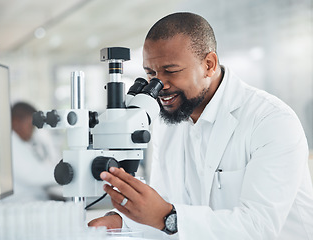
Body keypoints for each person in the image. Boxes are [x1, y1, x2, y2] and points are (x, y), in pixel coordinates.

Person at [88, 12, 313, 239]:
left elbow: (258, 228)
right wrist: (120, 222)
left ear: (209, 64)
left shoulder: (271, 121)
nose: (159, 85)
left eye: (171, 71)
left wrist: (166, 216)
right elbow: (165, 208)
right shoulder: (169, 122)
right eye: (150, 74)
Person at [7, 102, 59, 202]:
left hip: (34, 200)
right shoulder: (11, 143)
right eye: (30, 126)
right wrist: (65, 174)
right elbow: (34, 175)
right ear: (16, 122)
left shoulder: (23, 143)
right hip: (23, 203)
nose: (33, 131)